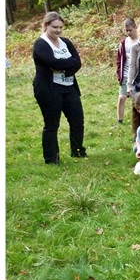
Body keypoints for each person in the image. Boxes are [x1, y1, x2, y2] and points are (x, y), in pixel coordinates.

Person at [32, 11, 87, 165]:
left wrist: (63, 68)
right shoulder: (41, 44)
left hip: (69, 87)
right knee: (52, 125)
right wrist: (64, 64)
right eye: (54, 27)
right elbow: (53, 62)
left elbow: (77, 62)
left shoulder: (65, 42)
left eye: (61, 27)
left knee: (77, 120)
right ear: (46, 25)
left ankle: (77, 151)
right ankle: (52, 159)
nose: (58, 30)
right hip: (49, 89)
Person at [116, 18, 138, 124]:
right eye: (126, 31)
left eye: (130, 30)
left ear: (135, 27)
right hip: (125, 74)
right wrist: (119, 74)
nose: (128, 33)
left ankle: (137, 120)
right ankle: (120, 121)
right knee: (122, 98)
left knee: (137, 99)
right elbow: (119, 60)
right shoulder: (123, 43)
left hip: (137, 75)